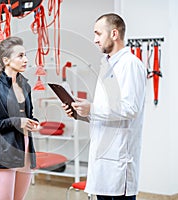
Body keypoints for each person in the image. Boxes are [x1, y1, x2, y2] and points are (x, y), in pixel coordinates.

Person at [62, 13, 147, 200]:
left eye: (98, 34)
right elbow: (106, 110)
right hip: (102, 160)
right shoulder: (106, 65)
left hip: (118, 162)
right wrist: (82, 113)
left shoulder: (130, 65)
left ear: (114, 34)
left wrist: (92, 108)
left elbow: (130, 109)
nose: (95, 40)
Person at [0, 36, 40, 200]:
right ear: (6, 60)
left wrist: (34, 123)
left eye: (25, 55)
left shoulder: (25, 85)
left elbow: (29, 116)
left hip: (26, 151)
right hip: (5, 154)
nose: (26, 60)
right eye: (20, 56)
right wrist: (16, 122)